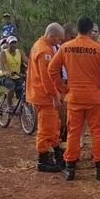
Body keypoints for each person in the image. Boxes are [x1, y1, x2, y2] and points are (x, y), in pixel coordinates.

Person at [48, 17, 100, 181]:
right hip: (95, 97)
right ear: (90, 30)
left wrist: (62, 88)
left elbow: (52, 69)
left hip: (74, 97)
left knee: (73, 132)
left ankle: (70, 168)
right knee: (97, 132)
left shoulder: (66, 47)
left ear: (78, 30)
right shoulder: (97, 48)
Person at [26, 23, 65, 173]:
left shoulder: (39, 45)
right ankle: (43, 159)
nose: (59, 42)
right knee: (45, 127)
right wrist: (54, 95)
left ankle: (56, 152)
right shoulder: (44, 51)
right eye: (58, 39)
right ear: (52, 36)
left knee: (53, 124)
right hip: (44, 95)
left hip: (41, 94)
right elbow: (47, 77)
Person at [0, 36, 27, 110]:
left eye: (14, 43)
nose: (13, 45)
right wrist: (5, 72)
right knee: (11, 86)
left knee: (24, 89)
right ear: (7, 44)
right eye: (11, 43)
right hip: (5, 76)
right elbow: (1, 64)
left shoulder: (19, 52)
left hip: (17, 75)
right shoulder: (3, 53)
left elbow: (27, 61)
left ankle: (24, 107)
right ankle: (9, 105)